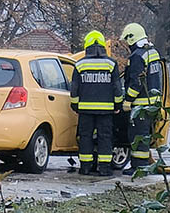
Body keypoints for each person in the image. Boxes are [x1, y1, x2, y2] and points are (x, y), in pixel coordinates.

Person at [70, 30, 123, 176]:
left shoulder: (80, 65)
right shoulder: (111, 64)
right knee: (105, 137)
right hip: (106, 111)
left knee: (85, 137)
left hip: (85, 110)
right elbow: (117, 88)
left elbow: (74, 88)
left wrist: (75, 105)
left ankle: (85, 167)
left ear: (86, 46)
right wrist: (118, 105)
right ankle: (105, 169)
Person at [120, 22, 164, 171]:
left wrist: (128, 100)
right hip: (153, 103)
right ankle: (142, 165)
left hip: (141, 104)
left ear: (131, 39)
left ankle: (139, 167)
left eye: (127, 40)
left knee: (137, 136)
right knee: (145, 135)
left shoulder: (137, 56)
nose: (126, 44)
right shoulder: (153, 52)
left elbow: (136, 81)